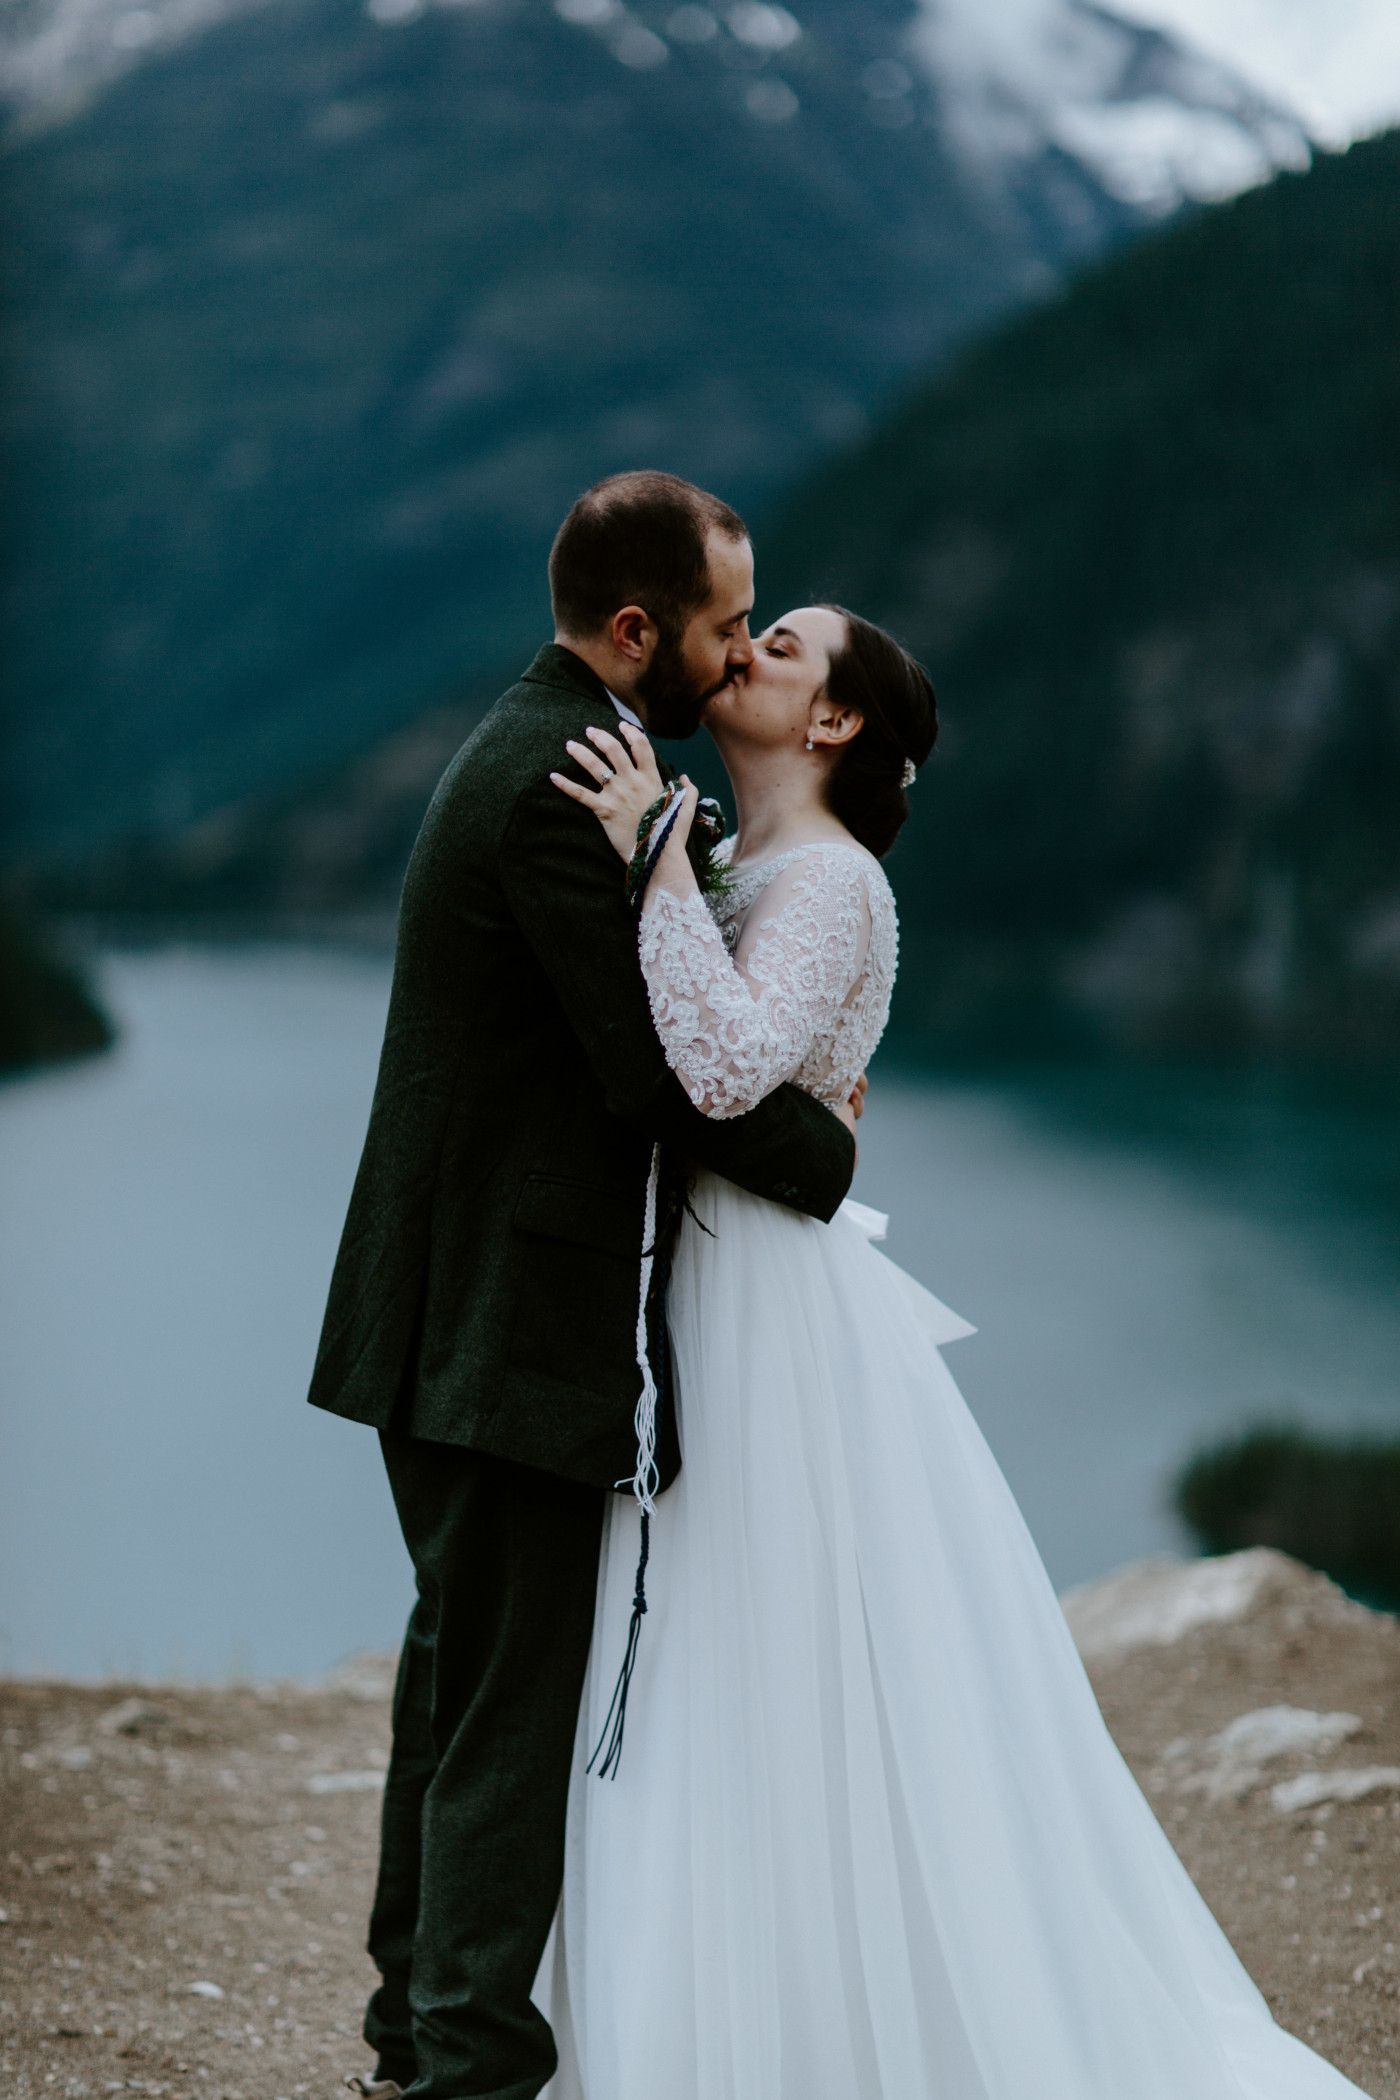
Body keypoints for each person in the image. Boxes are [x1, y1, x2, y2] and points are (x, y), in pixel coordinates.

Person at [538, 604, 1368, 2099]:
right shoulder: (763, 862)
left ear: (835, 722)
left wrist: (655, 866)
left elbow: (726, 1070)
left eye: (779, 646)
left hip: (770, 1314)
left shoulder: (834, 882)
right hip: (721, 1285)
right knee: (711, 1663)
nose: (745, 651)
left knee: (768, 1661)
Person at [309, 475, 860, 2100]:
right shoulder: (566, 782)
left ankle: (417, 2038)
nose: (730, 650)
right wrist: (827, 1166)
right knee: (506, 1714)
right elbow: (650, 1079)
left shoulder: (558, 743)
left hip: (450, 1315)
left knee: (456, 1682)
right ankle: (469, 2068)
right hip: (496, 1328)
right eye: (713, 625)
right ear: (636, 631)